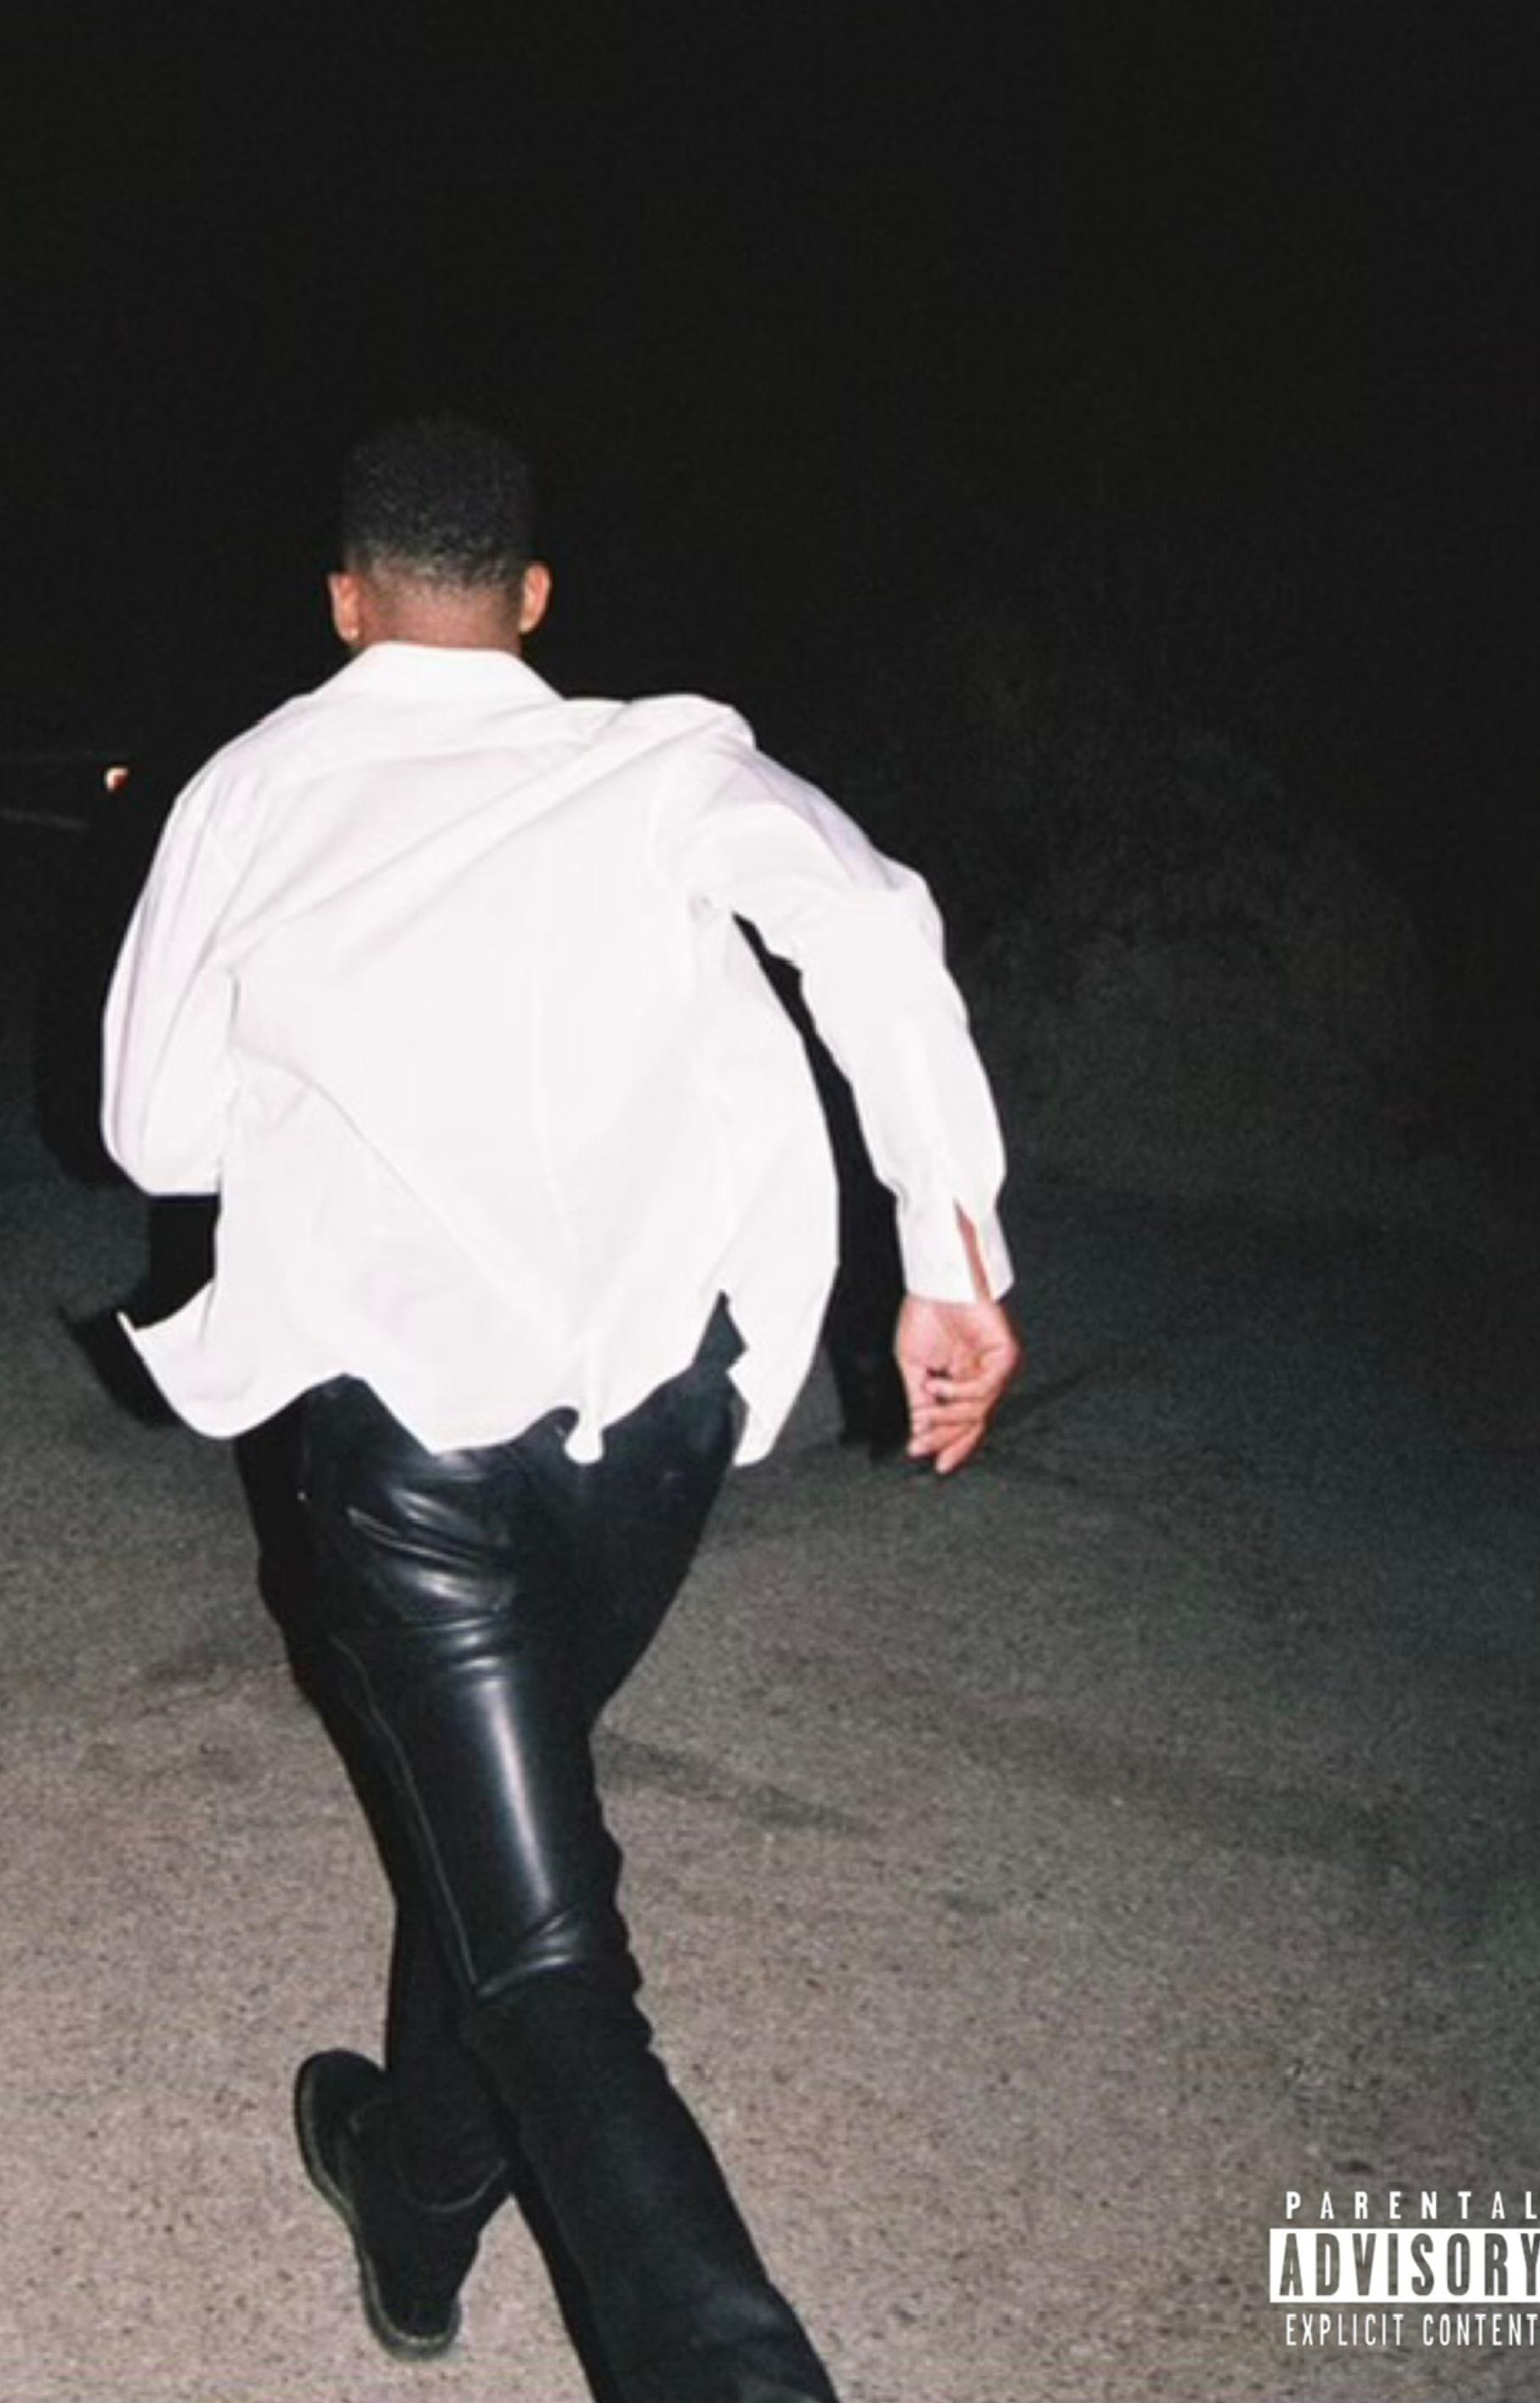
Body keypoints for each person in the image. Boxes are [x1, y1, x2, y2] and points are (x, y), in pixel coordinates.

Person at [99, 418, 1020, 2403]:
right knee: (498, 1834)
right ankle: (415, 2206)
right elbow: (871, 922)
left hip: (407, 1457)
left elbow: (155, 1131)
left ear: (344, 603)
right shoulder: (666, 764)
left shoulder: (251, 793)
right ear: (531, 598)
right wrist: (949, 1252)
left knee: (547, 1967)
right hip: (657, 1434)